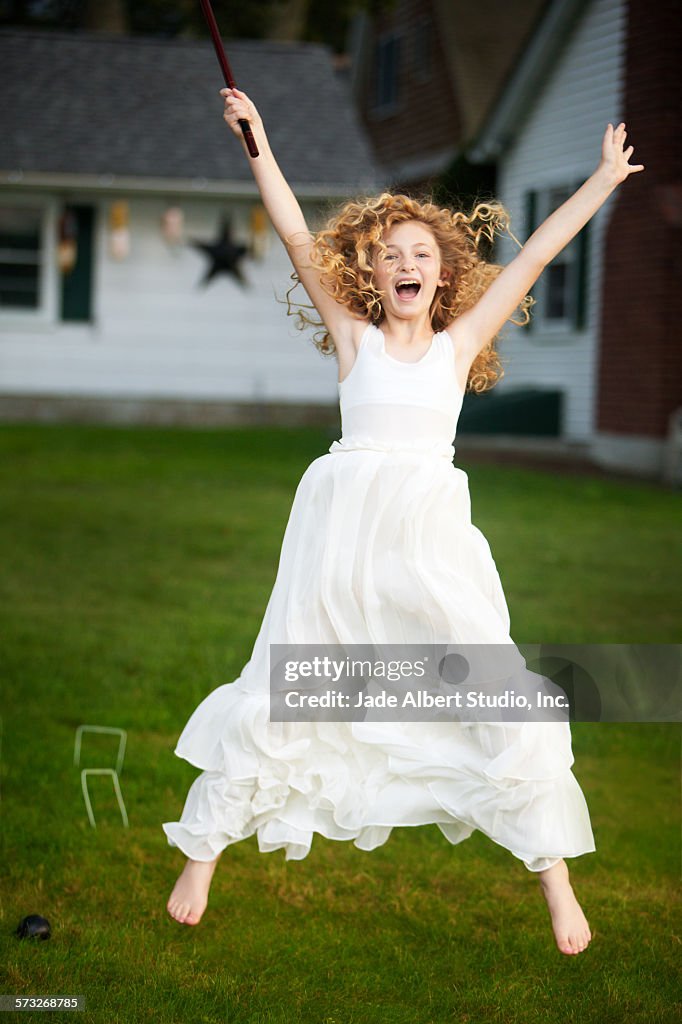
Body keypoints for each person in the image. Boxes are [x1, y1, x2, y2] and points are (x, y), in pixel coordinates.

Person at [164, 87, 644, 955]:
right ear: (371, 276)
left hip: (428, 546)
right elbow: (293, 236)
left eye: (422, 253)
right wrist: (259, 142)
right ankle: (202, 850)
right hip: (341, 547)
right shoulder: (355, 339)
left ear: (445, 275)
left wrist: (604, 179)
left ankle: (556, 880)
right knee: (289, 683)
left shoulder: (458, 348)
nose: (407, 264)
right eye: (390, 256)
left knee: (492, 689)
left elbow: (536, 252)